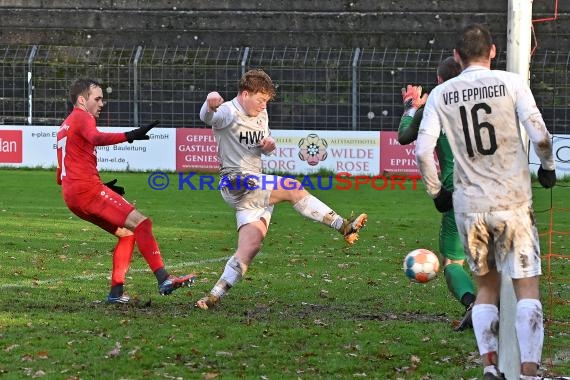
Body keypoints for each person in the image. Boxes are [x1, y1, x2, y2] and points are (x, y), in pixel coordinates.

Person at [415, 24, 556, 380]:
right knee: (526, 287)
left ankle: (491, 367)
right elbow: (540, 134)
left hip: (470, 206)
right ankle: (528, 372)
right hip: (512, 203)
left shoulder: (441, 93)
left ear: (457, 57)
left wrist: (437, 192)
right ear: (493, 52)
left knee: (486, 288)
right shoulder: (511, 83)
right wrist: (548, 168)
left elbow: (421, 150)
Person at [196, 69, 367, 310]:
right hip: (235, 182)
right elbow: (207, 116)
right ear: (245, 94)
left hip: (255, 186)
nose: (263, 105)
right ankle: (343, 225)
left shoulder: (261, 112)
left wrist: (269, 145)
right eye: (260, 99)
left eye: (266, 101)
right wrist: (210, 101)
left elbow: (264, 144)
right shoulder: (227, 111)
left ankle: (213, 296)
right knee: (292, 188)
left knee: (250, 248)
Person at [56, 78, 195, 304]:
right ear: (82, 100)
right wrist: (130, 135)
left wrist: (101, 187)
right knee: (142, 223)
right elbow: (96, 138)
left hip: (73, 196)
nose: (102, 103)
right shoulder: (83, 117)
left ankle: (116, 292)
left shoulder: (65, 126)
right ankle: (164, 278)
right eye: (97, 98)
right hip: (87, 190)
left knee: (127, 233)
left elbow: (60, 173)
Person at [398, 57, 477, 331]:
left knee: (453, 261)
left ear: (440, 82)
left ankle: (472, 303)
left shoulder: (435, 104)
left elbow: (405, 137)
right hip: (495, 187)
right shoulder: (485, 100)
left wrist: (411, 107)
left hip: (457, 190)